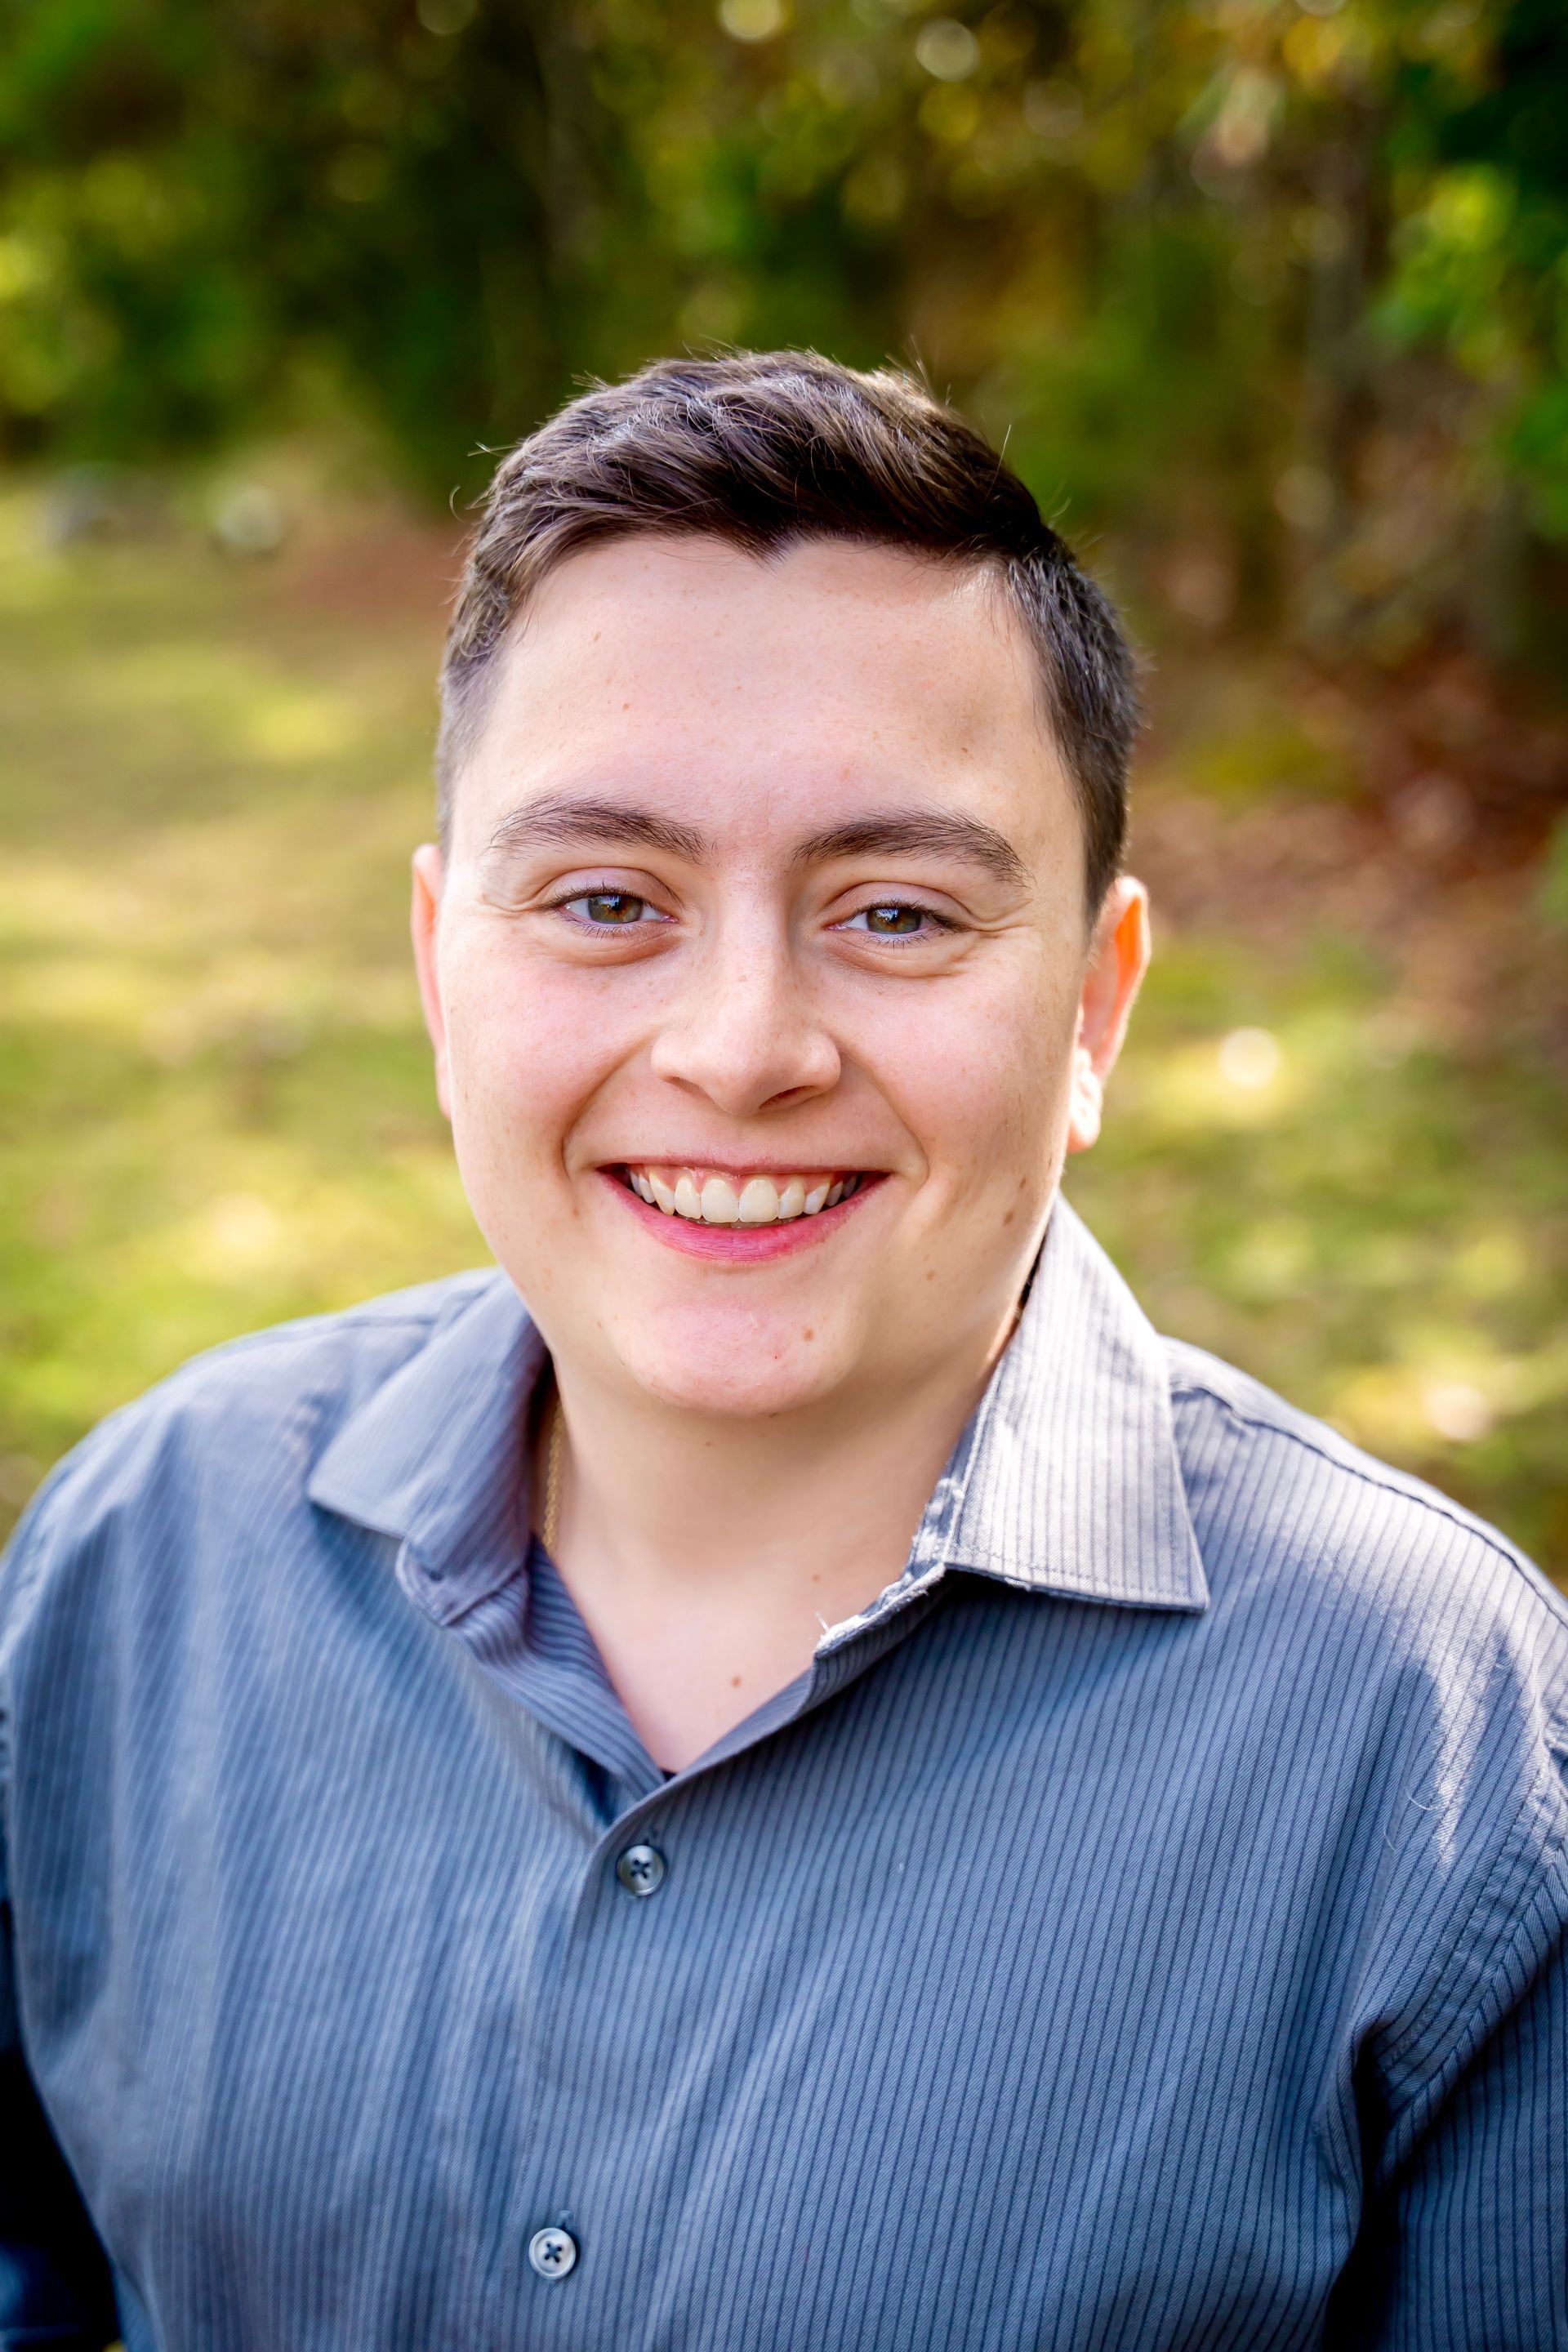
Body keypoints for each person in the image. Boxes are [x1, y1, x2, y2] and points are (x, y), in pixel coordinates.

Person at [2, 350, 1564, 2352]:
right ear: (436, 966)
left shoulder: (1431, 1759)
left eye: (899, 914)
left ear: (1095, 1009)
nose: (743, 1047)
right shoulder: (140, 1562)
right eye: (604, 898)